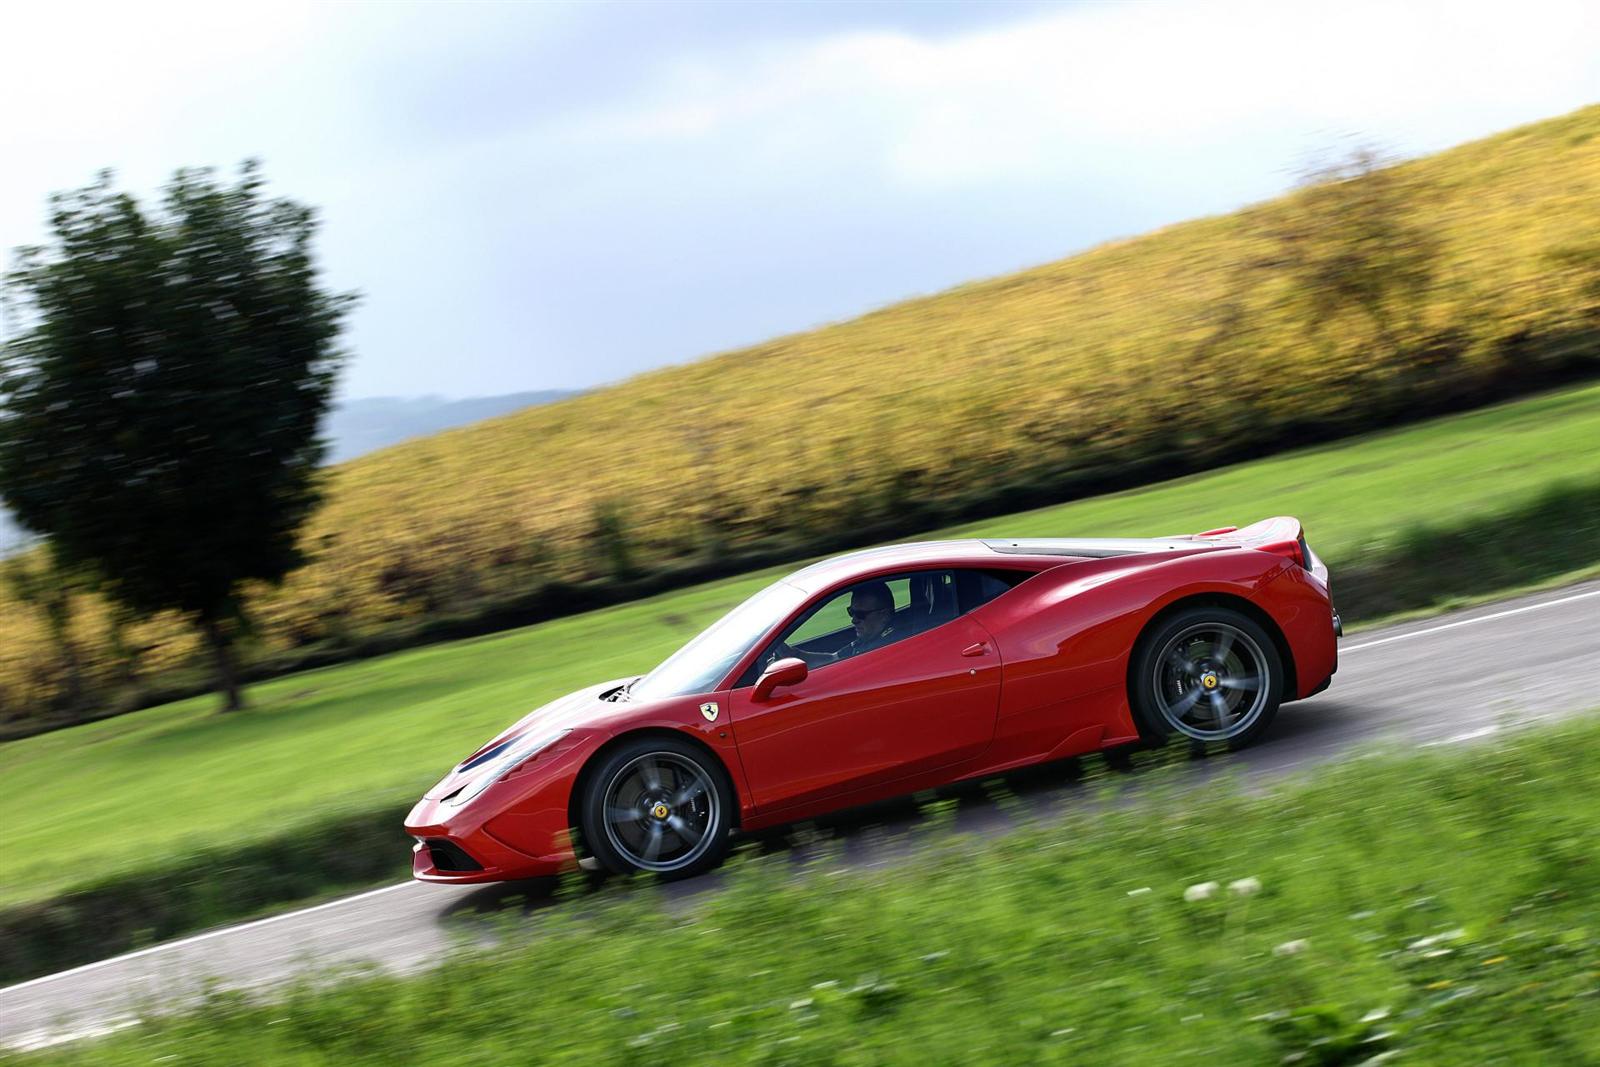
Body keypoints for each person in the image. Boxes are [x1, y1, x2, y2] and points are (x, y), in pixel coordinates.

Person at [771, 580, 898, 668]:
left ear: (884, 615)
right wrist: (793, 655)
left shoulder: (888, 647)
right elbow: (833, 659)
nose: (854, 620)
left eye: (861, 614)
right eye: (851, 612)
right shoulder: (869, 639)